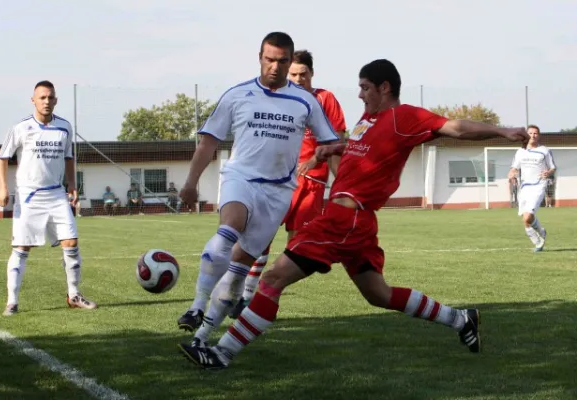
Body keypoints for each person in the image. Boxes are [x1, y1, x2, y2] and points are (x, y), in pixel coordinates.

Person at [178, 59, 530, 369]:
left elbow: (454, 127)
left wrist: (502, 131)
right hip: (354, 222)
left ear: (385, 87)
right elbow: (366, 145)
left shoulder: (403, 116)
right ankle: (460, 319)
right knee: (378, 295)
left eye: (364, 88)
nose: (359, 95)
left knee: (273, 280)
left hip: (345, 219)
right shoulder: (370, 119)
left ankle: (221, 353)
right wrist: (333, 148)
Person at [177, 32, 340, 345]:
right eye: (269, 59)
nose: (275, 67)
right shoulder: (238, 94)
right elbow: (209, 140)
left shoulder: (306, 101)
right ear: (259, 57)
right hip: (241, 178)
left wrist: (344, 185)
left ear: (290, 61)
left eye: (282, 61)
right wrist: (190, 182)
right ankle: (197, 305)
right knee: (230, 228)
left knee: (239, 269)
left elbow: (331, 143)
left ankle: (202, 336)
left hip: (278, 193)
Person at [229, 49, 347, 319]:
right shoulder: (280, 100)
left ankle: (264, 294)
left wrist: (339, 184)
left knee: (300, 245)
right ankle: (245, 297)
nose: (298, 79)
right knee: (260, 238)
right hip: (277, 182)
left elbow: (336, 143)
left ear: (312, 74)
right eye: (293, 74)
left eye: (302, 74)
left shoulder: (325, 99)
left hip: (311, 184)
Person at [0, 80, 98, 316]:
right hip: (29, 196)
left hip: (56, 194)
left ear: (56, 100)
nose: (46, 101)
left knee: (71, 243)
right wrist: (3, 189)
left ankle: (73, 295)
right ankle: (12, 302)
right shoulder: (21, 128)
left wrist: (72, 184)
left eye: (50, 97)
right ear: (33, 100)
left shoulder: (64, 127)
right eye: (42, 97)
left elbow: (69, 157)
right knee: (22, 247)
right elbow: (2, 158)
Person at [508, 125, 556, 252]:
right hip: (524, 186)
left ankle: (540, 235)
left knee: (528, 216)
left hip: (539, 185)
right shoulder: (520, 152)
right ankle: (538, 239)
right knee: (525, 218)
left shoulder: (545, 150)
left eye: (535, 133)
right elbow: (514, 168)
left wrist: (548, 172)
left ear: (538, 135)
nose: (533, 135)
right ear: (526, 135)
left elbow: (552, 167)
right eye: (530, 133)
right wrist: (511, 174)